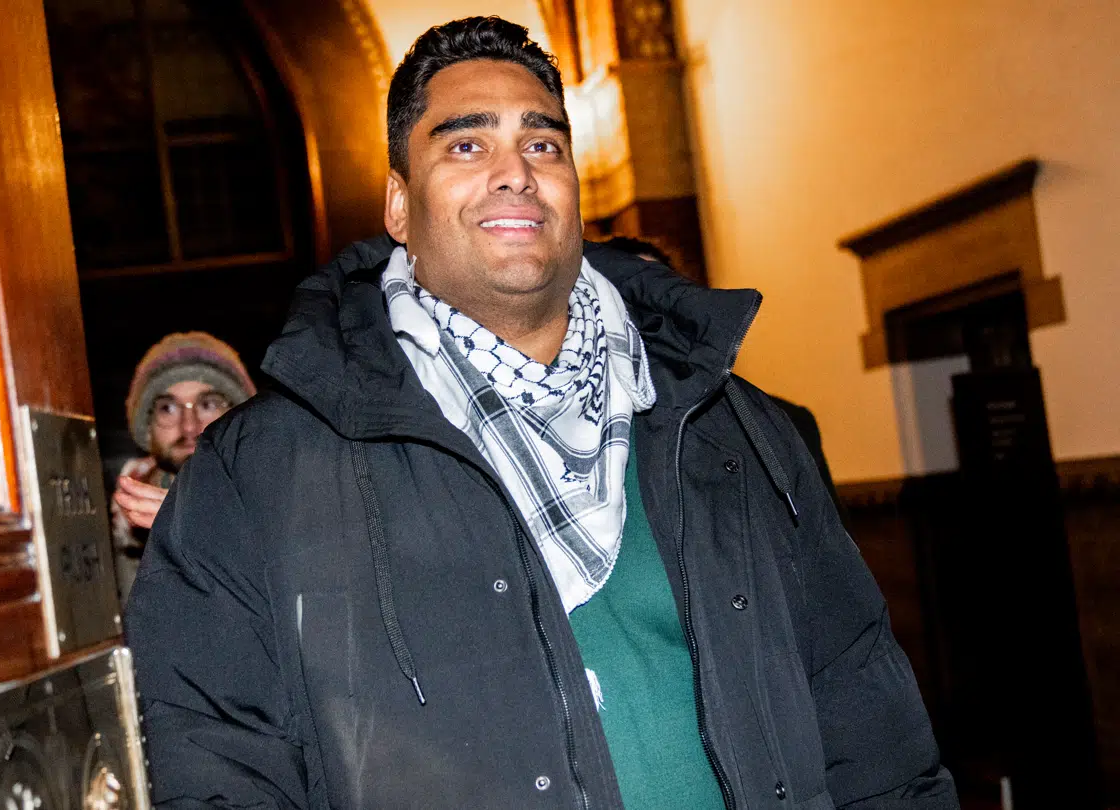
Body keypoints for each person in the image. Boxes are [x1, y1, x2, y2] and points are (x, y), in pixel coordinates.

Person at [126, 17, 956, 809]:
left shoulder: (730, 427)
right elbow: (219, 760)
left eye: (542, 143)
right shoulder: (259, 472)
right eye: (465, 144)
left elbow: (865, 714)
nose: (515, 171)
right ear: (398, 205)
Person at [605, 235, 850, 527]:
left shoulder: (782, 424)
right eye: (632, 302)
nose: (651, 321)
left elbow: (829, 541)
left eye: (661, 295)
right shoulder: (594, 440)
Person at [110, 331, 255, 601]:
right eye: (168, 408)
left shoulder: (288, 499)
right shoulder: (116, 525)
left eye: (208, 404)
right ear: (148, 428)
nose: (189, 427)